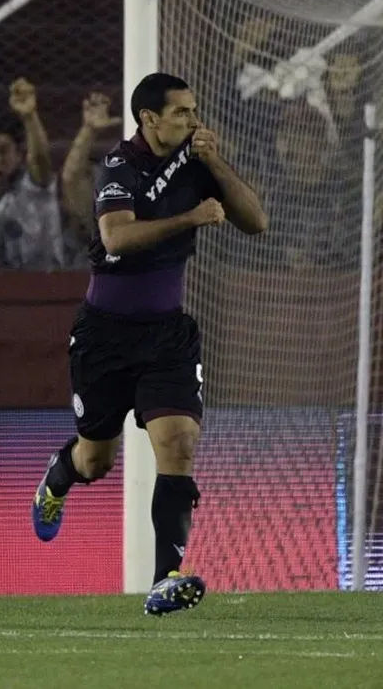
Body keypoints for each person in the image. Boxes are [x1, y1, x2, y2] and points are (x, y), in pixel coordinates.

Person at [30, 73, 268, 615]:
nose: (192, 120)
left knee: (179, 442)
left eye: (194, 110)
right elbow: (117, 236)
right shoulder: (120, 166)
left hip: (167, 334)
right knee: (95, 461)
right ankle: (58, 476)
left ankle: (167, 577)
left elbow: (256, 221)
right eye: (181, 112)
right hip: (106, 334)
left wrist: (218, 167)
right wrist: (190, 217)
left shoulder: (196, 161)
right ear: (150, 120)